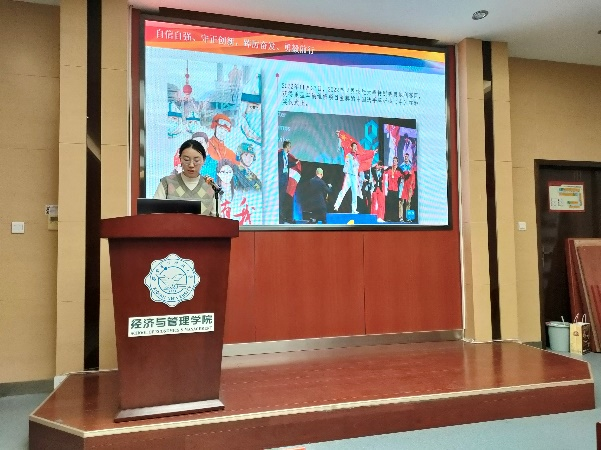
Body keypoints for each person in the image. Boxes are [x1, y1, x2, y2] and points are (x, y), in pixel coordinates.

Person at [153, 139, 217, 216]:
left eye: (196, 160)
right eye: (186, 160)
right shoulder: (166, 183)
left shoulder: (211, 186)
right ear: (180, 159)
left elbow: (216, 219)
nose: (191, 165)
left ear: (203, 160)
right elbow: (155, 215)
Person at [205, 113, 237, 180]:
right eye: (220, 128)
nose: (222, 132)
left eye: (225, 130)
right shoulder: (205, 146)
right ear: (214, 128)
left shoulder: (230, 153)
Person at [333, 142, 360, 214]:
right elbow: (342, 149)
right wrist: (340, 140)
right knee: (343, 191)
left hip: (354, 177)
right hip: (348, 175)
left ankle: (354, 210)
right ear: (351, 147)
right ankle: (336, 206)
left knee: (354, 193)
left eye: (356, 147)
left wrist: (373, 152)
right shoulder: (348, 155)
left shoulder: (357, 157)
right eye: (354, 146)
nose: (355, 148)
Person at [278, 140, 298, 223]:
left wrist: (295, 163)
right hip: (280, 179)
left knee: (282, 199)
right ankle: (279, 218)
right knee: (279, 199)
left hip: (285, 180)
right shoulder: (279, 154)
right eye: (289, 146)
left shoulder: (286, 156)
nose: (290, 148)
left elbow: (287, 165)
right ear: (286, 146)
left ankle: (282, 218)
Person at [383, 156, 402, 222]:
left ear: (397, 162)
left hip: (396, 189)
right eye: (393, 161)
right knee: (389, 204)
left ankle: (395, 218)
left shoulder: (399, 169)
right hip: (390, 189)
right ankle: (388, 218)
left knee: (395, 204)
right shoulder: (389, 168)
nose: (394, 162)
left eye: (395, 161)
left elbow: (403, 177)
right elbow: (384, 172)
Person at [399, 152, 415, 222]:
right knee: (401, 202)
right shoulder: (401, 166)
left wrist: (412, 186)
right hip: (403, 186)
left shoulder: (411, 166)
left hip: (409, 186)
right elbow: (401, 176)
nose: (406, 158)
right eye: (405, 157)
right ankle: (401, 217)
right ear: (403, 157)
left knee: (408, 202)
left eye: (407, 157)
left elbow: (413, 177)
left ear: (408, 158)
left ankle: (409, 218)